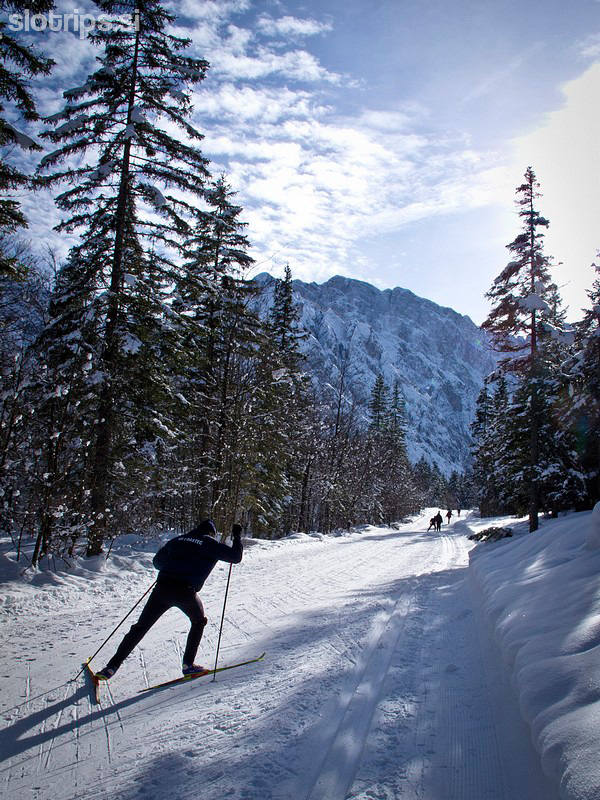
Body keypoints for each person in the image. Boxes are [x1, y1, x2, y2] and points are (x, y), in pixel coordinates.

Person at [95, 519, 243, 680]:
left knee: (140, 627)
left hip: (162, 590)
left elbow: (157, 563)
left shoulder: (177, 540)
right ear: (211, 532)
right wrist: (237, 537)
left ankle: (111, 667)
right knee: (198, 621)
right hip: (186, 592)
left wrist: (175, 563)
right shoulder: (209, 543)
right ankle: (188, 665)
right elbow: (235, 558)